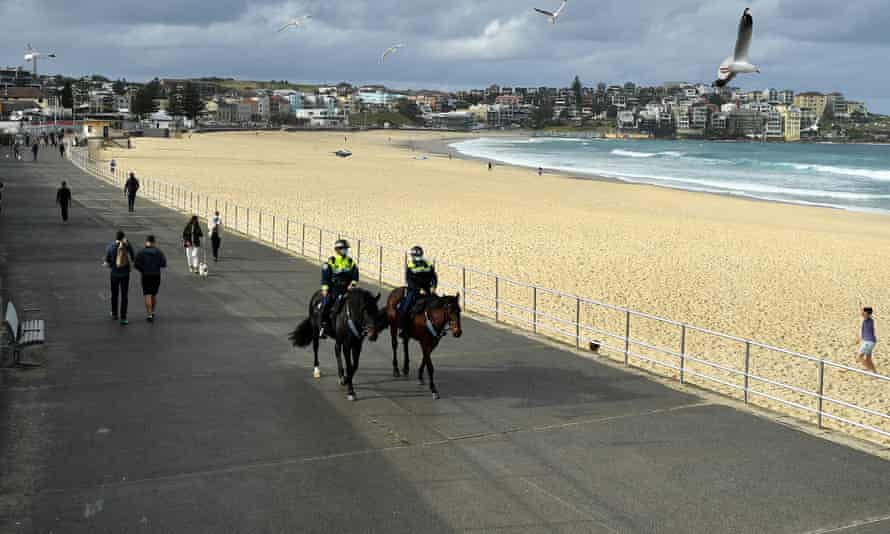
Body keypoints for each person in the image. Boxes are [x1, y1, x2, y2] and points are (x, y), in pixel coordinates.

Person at [319, 239, 359, 338]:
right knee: (326, 305)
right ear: (337, 250)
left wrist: (352, 284)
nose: (345, 250)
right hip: (333, 289)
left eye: (346, 249)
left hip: (347, 289)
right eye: (343, 249)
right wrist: (325, 288)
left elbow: (355, 275)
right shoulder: (331, 261)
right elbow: (325, 276)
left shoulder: (350, 261)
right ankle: (323, 327)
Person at [398, 246, 438, 338]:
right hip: (414, 290)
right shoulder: (410, 264)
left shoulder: (428, 263)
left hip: (428, 290)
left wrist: (434, 287)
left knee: (438, 304)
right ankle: (402, 329)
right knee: (405, 308)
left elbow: (434, 276)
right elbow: (409, 280)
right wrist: (419, 289)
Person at [134, 235, 167, 322]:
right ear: (154, 242)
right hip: (156, 276)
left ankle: (149, 315)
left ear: (146, 242)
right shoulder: (159, 252)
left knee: (147, 294)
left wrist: (142, 269)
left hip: (146, 275)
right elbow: (163, 264)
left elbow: (136, 264)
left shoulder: (141, 252)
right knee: (153, 294)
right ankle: (152, 311)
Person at [105, 231, 135, 325]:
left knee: (114, 294)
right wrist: (128, 244)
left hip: (114, 274)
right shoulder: (126, 246)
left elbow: (107, 261)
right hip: (125, 274)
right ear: (123, 237)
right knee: (124, 296)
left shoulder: (110, 246)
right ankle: (123, 318)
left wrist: (112, 265)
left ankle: (114, 313)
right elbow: (133, 257)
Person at [856, 307, 878, 373]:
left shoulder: (869, 320)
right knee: (868, 359)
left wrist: (863, 310)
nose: (862, 313)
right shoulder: (865, 320)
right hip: (868, 341)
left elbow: (864, 315)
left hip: (869, 342)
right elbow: (863, 332)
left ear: (868, 314)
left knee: (859, 357)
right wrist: (859, 339)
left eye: (864, 312)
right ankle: (875, 372)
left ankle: (871, 371)